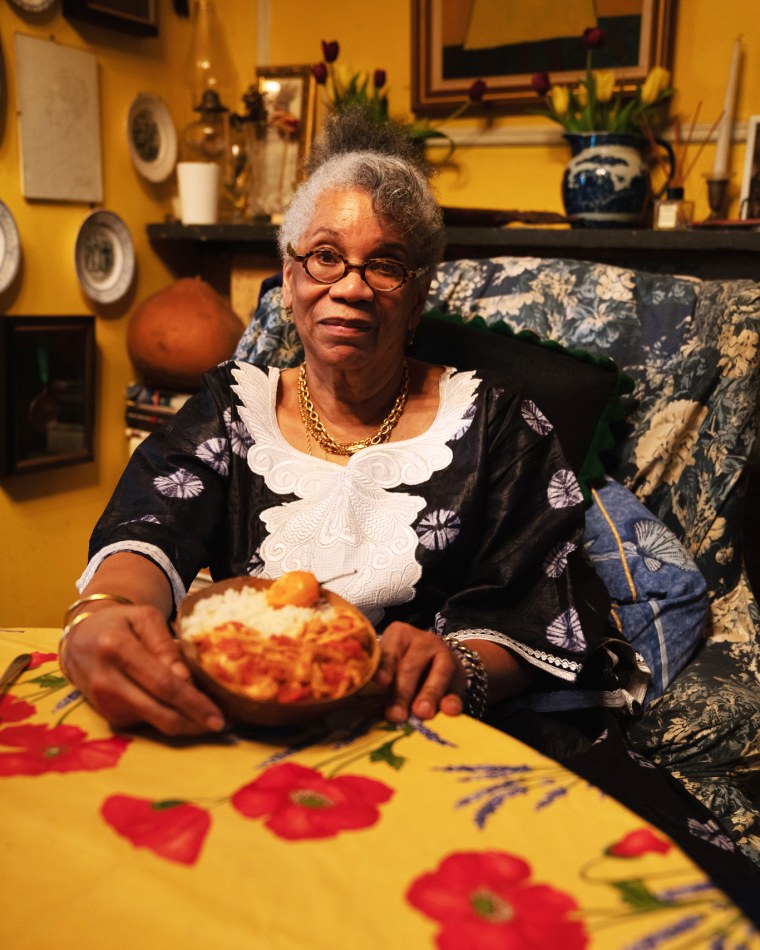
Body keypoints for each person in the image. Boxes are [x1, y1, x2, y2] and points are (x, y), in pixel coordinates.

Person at [62, 110, 644, 737]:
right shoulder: (232, 407)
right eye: (325, 257)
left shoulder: (499, 422)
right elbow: (149, 526)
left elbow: (532, 600)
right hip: (253, 702)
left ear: (418, 297)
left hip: (430, 724)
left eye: (386, 265)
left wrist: (460, 664)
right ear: (288, 280)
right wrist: (102, 615)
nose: (352, 287)